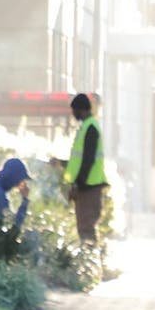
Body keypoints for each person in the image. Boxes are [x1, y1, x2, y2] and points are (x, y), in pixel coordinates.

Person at [64, 93, 108, 243]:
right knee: (84, 227)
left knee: (86, 227)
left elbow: (88, 160)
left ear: (81, 109)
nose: (73, 114)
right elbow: (79, 159)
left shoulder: (90, 128)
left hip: (89, 186)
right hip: (87, 185)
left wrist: (78, 184)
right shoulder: (86, 127)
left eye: (74, 110)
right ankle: (89, 261)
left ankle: (90, 262)